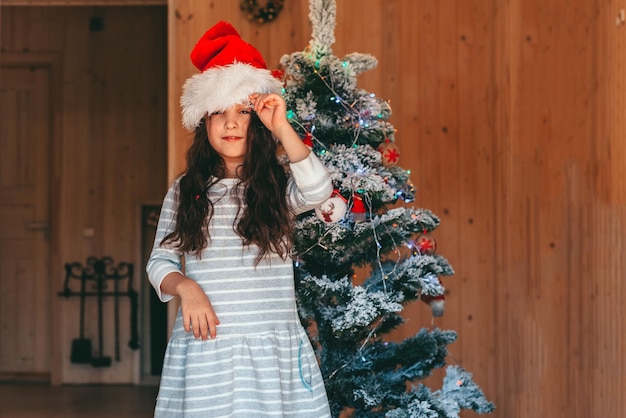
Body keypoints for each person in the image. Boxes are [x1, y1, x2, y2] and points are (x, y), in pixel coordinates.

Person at [146, 21, 333, 417]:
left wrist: (281, 126)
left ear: (259, 122)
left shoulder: (279, 188)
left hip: (271, 352)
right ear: (204, 123)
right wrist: (186, 288)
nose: (231, 123)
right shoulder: (184, 191)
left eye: (244, 112)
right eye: (219, 113)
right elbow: (159, 262)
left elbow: (318, 191)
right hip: (208, 350)